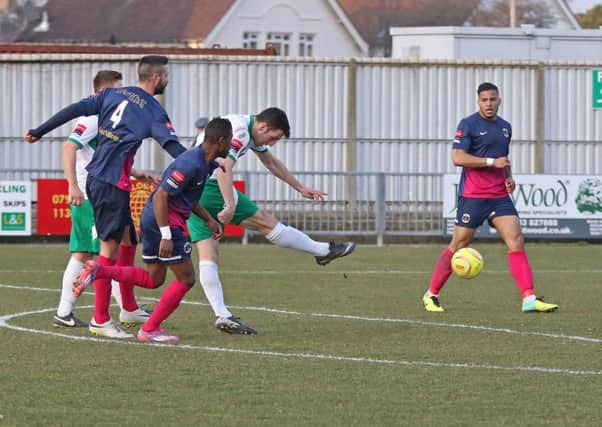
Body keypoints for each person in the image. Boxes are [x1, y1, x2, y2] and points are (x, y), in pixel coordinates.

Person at [25, 55, 188, 338]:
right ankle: (100, 319)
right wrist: (201, 163)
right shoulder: (152, 110)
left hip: (106, 181)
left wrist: (39, 131)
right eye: (167, 76)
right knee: (108, 251)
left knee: (128, 240)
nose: (168, 81)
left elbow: (75, 108)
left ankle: (128, 307)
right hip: (109, 185)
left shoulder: (111, 94)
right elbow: (172, 145)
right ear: (157, 78)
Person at [187, 107, 356, 335]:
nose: (273, 142)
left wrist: (300, 187)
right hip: (211, 185)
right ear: (263, 127)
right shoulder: (241, 132)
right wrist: (229, 204)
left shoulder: (245, 127)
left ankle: (222, 315)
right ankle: (321, 250)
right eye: (273, 137)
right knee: (266, 223)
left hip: (193, 187)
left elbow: (271, 163)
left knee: (208, 254)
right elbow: (225, 167)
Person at [73, 118, 232, 343]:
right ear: (221, 140)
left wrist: (208, 220)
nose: (233, 145)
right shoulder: (191, 163)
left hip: (157, 219)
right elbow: (161, 196)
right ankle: (150, 329)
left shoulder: (206, 163)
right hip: (165, 221)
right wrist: (166, 234)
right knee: (186, 279)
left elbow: (189, 197)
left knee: (154, 279)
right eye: (231, 140)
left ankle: (99, 271)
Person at [422, 82, 558, 314]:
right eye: (484, 100)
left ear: (499, 101)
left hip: (499, 196)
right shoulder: (468, 124)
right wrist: (489, 163)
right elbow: (458, 157)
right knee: (458, 244)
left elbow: (502, 157)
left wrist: (508, 176)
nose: (489, 104)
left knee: (516, 240)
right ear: (478, 101)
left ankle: (529, 298)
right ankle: (431, 294)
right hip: (473, 196)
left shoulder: (505, 127)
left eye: (492, 99)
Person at [53, 70, 154, 328]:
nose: (122, 94)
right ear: (103, 92)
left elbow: (101, 156)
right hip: (90, 194)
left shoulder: (108, 117)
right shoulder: (91, 119)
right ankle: (65, 312)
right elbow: (69, 148)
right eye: (117, 89)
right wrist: (73, 186)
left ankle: (127, 307)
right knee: (86, 252)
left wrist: (135, 172)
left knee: (121, 243)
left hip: (107, 189)